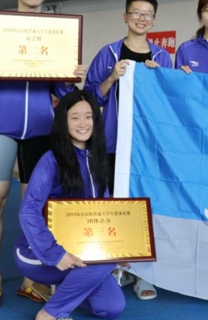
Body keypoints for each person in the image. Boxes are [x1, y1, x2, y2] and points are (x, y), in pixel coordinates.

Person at [0, 0, 86, 311]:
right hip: (0, 126)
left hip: (40, 129)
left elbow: (61, 89)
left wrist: (72, 75)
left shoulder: (57, 32)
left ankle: (30, 278)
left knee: (34, 205)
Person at [84, 0, 172, 300]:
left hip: (147, 146)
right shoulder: (109, 53)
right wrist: (111, 77)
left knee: (146, 205)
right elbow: (89, 97)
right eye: (136, 13)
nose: (141, 19)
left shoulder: (162, 57)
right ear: (125, 16)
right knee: (112, 204)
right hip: (112, 143)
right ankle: (113, 268)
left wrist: (159, 80)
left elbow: (169, 102)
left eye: (147, 14)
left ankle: (143, 273)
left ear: (154, 20)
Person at [15, 90, 125, 320]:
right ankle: (49, 314)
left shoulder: (98, 159)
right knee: (106, 258)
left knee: (111, 307)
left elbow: (106, 211)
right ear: (63, 122)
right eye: (75, 117)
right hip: (39, 254)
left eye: (88, 116)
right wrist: (55, 254)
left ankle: (61, 290)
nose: (83, 123)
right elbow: (28, 210)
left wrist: (124, 248)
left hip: (82, 249)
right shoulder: (51, 160)